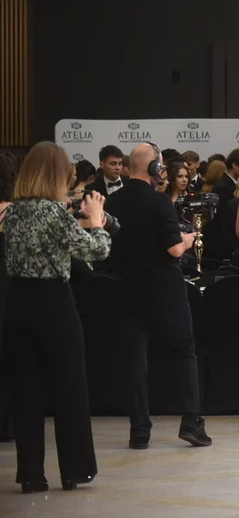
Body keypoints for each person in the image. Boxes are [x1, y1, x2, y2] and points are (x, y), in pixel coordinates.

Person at [3, 142, 110, 493]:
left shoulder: (14, 212)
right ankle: (75, 470)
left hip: (17, 302)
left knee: (26, 390)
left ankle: (30, 473)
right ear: (58, 174)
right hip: (53, 302)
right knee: (69, 386)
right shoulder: (53, 213)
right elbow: (96, 250)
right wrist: (97, 221)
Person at [104, 143, 209, 449]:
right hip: (164, 290)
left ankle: (139, 431)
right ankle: (191, 421)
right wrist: (187, 240)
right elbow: (173, 249)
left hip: (126, 290)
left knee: (135, 360)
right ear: (153, 168)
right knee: (184, 351)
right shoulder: (160, 201)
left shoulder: (113, 201)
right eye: (160, 165)